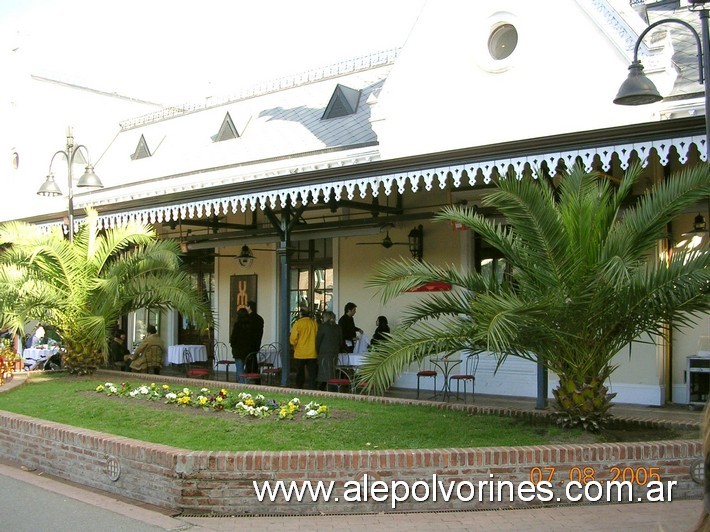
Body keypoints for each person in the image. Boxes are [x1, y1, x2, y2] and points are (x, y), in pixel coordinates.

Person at [290, 307, 318, 389]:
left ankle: (299, 386)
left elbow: (293, 339)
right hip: (312, 352)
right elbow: (317, 336)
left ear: (301, 314)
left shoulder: (298, 323)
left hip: (300, 352)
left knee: (300, 371)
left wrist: (293, 344)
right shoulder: (314, 323)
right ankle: (313, 387)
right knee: (312, 372)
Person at [316, 310, 342, 391]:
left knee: (324, 371)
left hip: (324, 352)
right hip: (334, 352)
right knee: (332, 371)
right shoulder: (338, 327)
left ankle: (323, 387)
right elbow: (341, 341)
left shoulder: (323, 327)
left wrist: (317, 350)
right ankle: (332, 386)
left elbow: (318, 340)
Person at [230, 307, 252, 383]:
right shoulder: (250, 325)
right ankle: (246, 383)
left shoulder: (237, 325)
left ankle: (241, 384)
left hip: (238, 350)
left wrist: (233, 345)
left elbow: (234, 337)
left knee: (239, 368)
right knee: (246, 368)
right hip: (248, 350)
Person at [246, 300, 264, 373]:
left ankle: (250, 373)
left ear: (249, 307)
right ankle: (255, 374)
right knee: (254, 358)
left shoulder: (248, 318)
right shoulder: (259, 318)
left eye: (246, 306)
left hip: (249, 342)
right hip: (257, 341)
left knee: (249, 359)